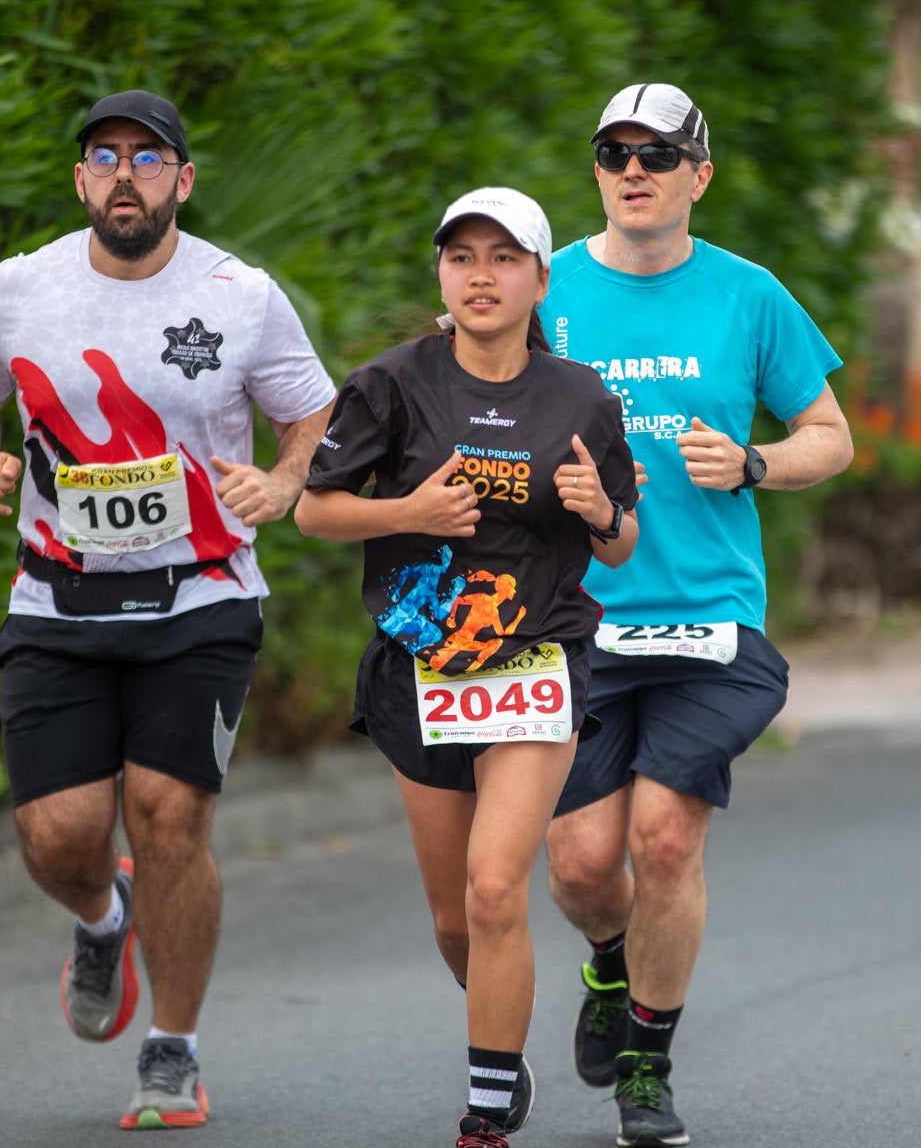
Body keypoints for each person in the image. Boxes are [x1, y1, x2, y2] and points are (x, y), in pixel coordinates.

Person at [0, 90, 335, 1129]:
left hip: (201, 595)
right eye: (104, 157)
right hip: (56, 597)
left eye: (148, 159)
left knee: (169, 816)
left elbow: (314, 410)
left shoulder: (239, 294)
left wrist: (285, 482)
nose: (125, 175)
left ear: (181, 182)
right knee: (58, 835)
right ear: (79, 180)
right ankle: (101, 915)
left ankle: (171, 1048)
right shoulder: (23, 286)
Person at [539, 84, 853, 1147]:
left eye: (659, 156)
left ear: (697, 176)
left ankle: (645, 1059)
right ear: (595, 171)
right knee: (584, 866)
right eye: (614, 152)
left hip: (707, 622)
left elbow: (830, 433)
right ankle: (608, 960)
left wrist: (756, 460)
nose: (635, 169)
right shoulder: (547, 291)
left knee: (663, 840)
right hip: (574, 624)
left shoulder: (747, 295)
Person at [295, 187, 640, 1148]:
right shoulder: (393, 384)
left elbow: (619, 543)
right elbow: (314, 511)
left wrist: (597, 509)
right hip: (420, 669)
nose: (480, 275)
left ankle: (486, 1109)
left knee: (498, 887)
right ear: (442, 275)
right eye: (461, 258)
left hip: (536, 658)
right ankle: (508, 1039)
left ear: (539, 278)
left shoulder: (580, 396)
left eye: (502, 258)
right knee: (456, 920)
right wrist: (407, 513)